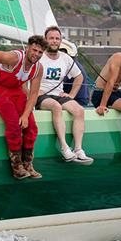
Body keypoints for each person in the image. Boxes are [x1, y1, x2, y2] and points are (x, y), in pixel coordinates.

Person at [0, 36, 47, 179]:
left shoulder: (38, 68)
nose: (36, 54)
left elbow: (34, 93)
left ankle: (28, 164)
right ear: (28, 48)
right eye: (34, 50)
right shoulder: (15, 57)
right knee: (13, 125)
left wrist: (25, 115)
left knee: (31, 126)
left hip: (17, 91)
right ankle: (17, 167)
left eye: (40, 52)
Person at [35, 26, 93, 164]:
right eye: (51, 38)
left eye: (57, 38)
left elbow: (79, 77)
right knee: (56, 107)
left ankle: (78, 149)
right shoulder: (39, 56)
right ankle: (64, 147)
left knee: (79, 110)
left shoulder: (65, 58)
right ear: (45, 40)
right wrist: (34, 90)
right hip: (41, 95)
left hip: (58, 94)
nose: (54, 41)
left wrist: (72, 94)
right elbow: (26, 75)